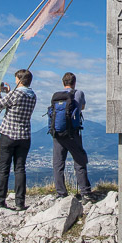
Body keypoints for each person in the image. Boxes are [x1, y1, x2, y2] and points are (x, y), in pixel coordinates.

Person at [0, 68, 36, 211]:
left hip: (8, 135)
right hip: (24, 136)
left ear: (19, 80)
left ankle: (0, 201)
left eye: (16, 79)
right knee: (20, 169)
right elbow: (16, 101)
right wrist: (9, 92)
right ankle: (20, 202)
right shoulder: (32, 95)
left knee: (4, 169)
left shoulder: (15, 94)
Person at [51, 72, 93, 200]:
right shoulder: (78, 93)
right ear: (74, 82)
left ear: (63, 82)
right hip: (72, 134)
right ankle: (85, 193)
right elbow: (83, 107)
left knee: (58, 164)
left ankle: (61, 193)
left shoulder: (56, 96)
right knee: (79, 161)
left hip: (57, 133)